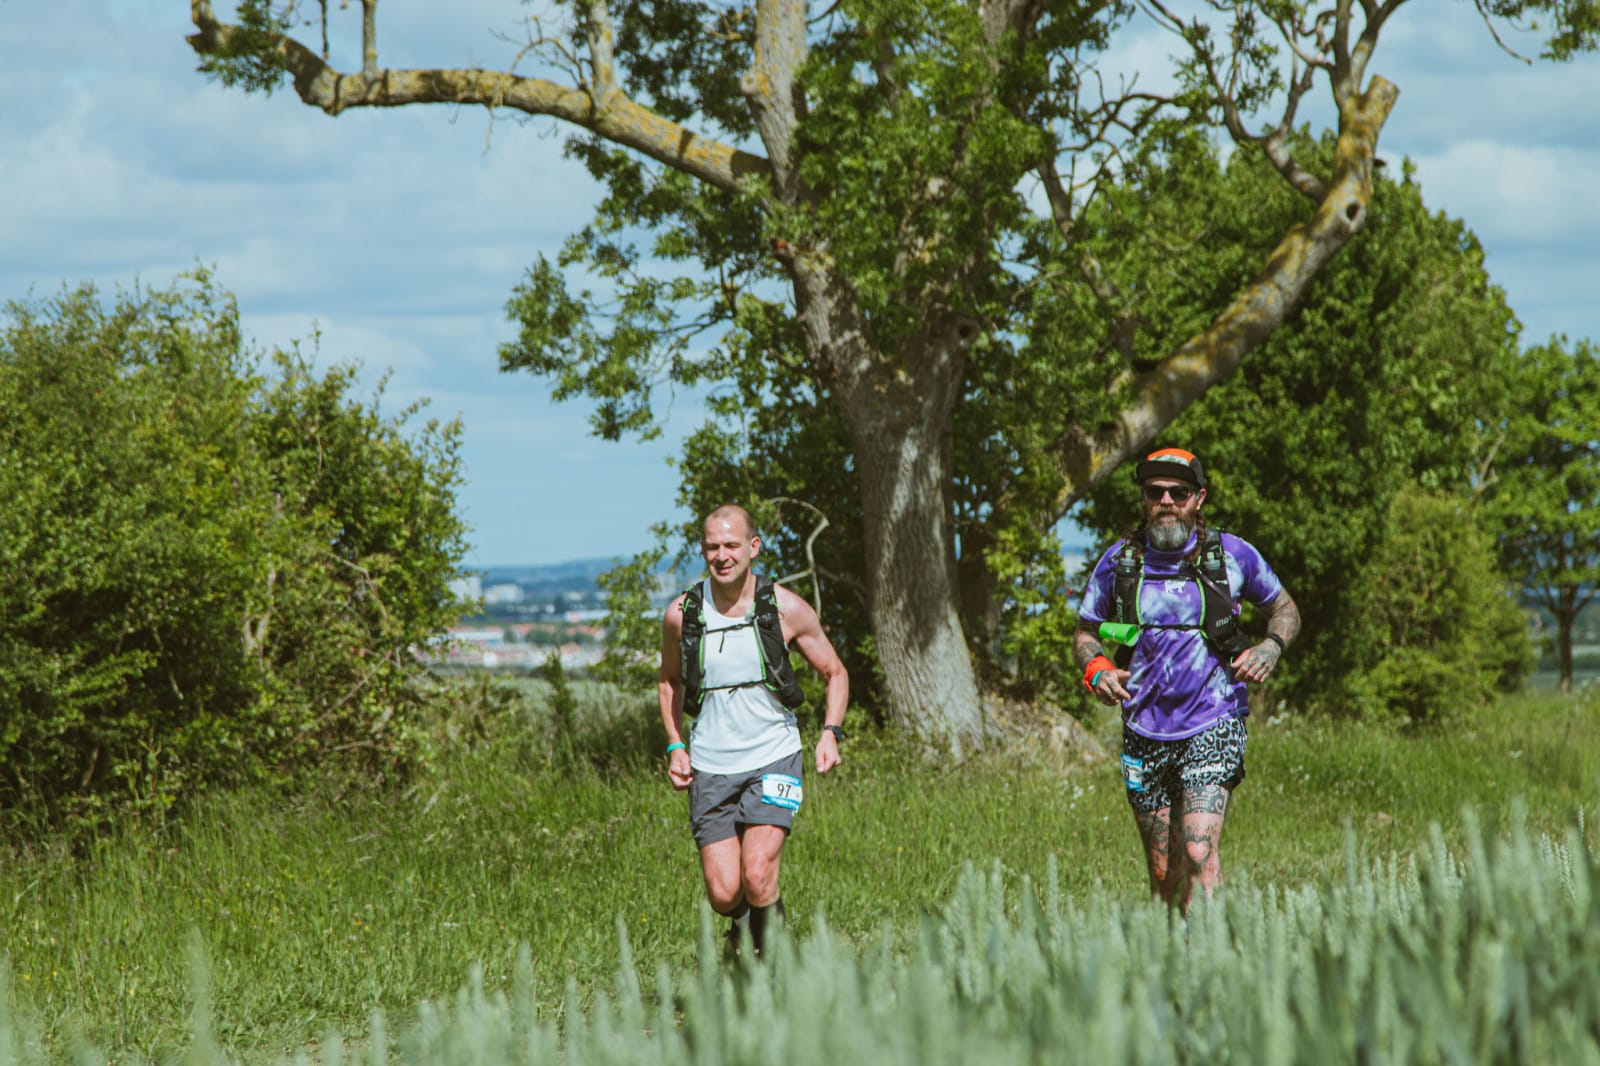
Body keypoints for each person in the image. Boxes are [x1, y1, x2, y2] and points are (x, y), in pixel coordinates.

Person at [1073, 448, 1300, 912]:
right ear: (1144, 501)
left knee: (1199, 852)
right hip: (1143, 731)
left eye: (1178, 492)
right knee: (1165, 874)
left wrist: (1269, 648)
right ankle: (1177, 964)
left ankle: (1211, 968)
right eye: (1155, 492)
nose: (1166, 500)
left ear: (1198, 498)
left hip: (1214, 721)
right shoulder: (1120, 562)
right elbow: (1085, 632)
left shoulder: (1231, 555)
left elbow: (1285, 608)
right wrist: (1095, 670)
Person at [658, 504, 849, 957]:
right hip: (710, 763)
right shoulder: (682, 614)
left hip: (774, 755)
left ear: (753, 548)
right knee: (726, 894)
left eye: (731, 545)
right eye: (712, 547)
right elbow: (669, 681)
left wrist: (830, 732)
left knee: (759, 873)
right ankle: (744, 932)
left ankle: (770, 981)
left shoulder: (785, 609)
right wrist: (674, 744)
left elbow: (835, 672)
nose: (721, 555)